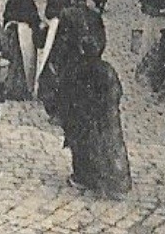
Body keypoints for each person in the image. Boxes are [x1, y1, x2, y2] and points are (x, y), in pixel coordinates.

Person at [56, 30, 132, 198]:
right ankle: (113, 182)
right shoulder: (107, 69)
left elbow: (67, 93)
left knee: (83, 148)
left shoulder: (77, 68)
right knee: (108, 147)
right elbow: (116, 92)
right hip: (106, 117)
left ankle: (84, 178)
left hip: (83, 117)